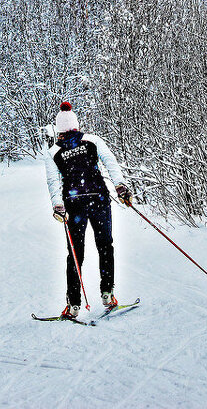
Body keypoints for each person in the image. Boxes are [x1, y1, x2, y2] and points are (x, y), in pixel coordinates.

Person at [45, 101, 132, 318]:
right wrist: (120, 186)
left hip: (74, 207)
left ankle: (74, 304)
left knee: (75, 253)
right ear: (75, 125)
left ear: (59, 130)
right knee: (105, 246)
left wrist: (58, 205)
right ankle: (107, 293)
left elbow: (53, 181)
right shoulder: (92, 141)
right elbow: (110, 162)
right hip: (99, 200)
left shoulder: (54, 151)